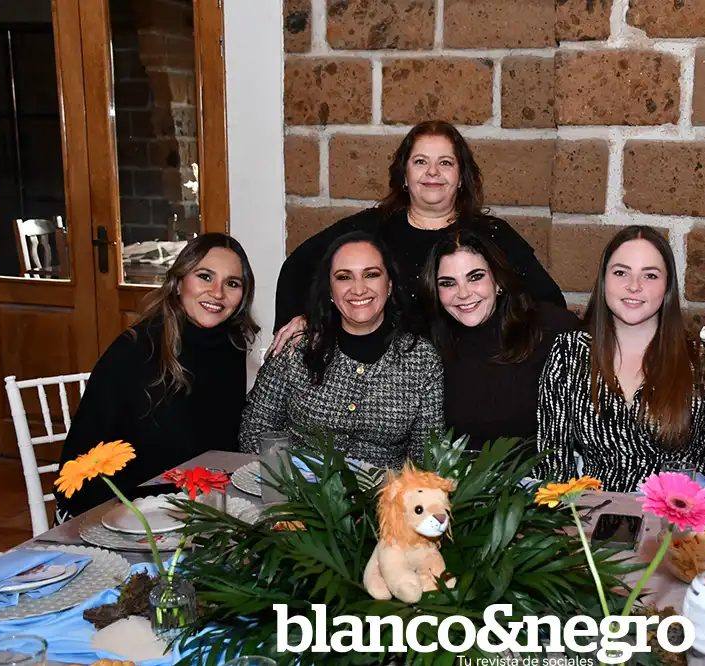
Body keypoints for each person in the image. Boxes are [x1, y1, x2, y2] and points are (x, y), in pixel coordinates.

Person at [269, 120, 565, 354]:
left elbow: (549, 303)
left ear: (461, 178)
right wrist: (304, 319)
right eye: (421, 162)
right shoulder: (369, 229)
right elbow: (299, 267)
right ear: (404, 175)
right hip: (390, 384)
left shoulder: (492, 235)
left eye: (445, 163)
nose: (432, 172)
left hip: (471, 378)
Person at [534, 226, 705, 494]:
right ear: (604, 280)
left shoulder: (704, 361)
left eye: (650, 275)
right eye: (621, 272)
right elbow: (552, 464)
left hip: (677, 515)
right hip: (594, 515)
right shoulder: (569, 352)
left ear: (667, 287)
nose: (634, 286)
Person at [54, 234, 260, 520]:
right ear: (179, 282)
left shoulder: (231, 346)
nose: (217, 292)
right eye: (205, 276)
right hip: (120, 507)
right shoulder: (136, 349)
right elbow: (85, 455)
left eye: (232, 283)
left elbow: (221, 443)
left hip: (195, 505)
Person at [239, 231, 443, 469]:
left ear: (389, 285)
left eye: (371, 275)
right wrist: (285, 480)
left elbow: (428, 458)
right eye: (344, 277)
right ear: (330, 289)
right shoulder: (297, 345)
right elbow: (255, 431)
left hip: (385, 490)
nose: (358, 289)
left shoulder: (421, 359)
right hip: (298, 487)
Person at [420, 228, 580, 451]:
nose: (463, 293)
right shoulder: (428, 343)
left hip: (542, 471)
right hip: (459, 472)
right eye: (448, 283)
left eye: (476, 277)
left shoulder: (551, 327)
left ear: (498, 281)